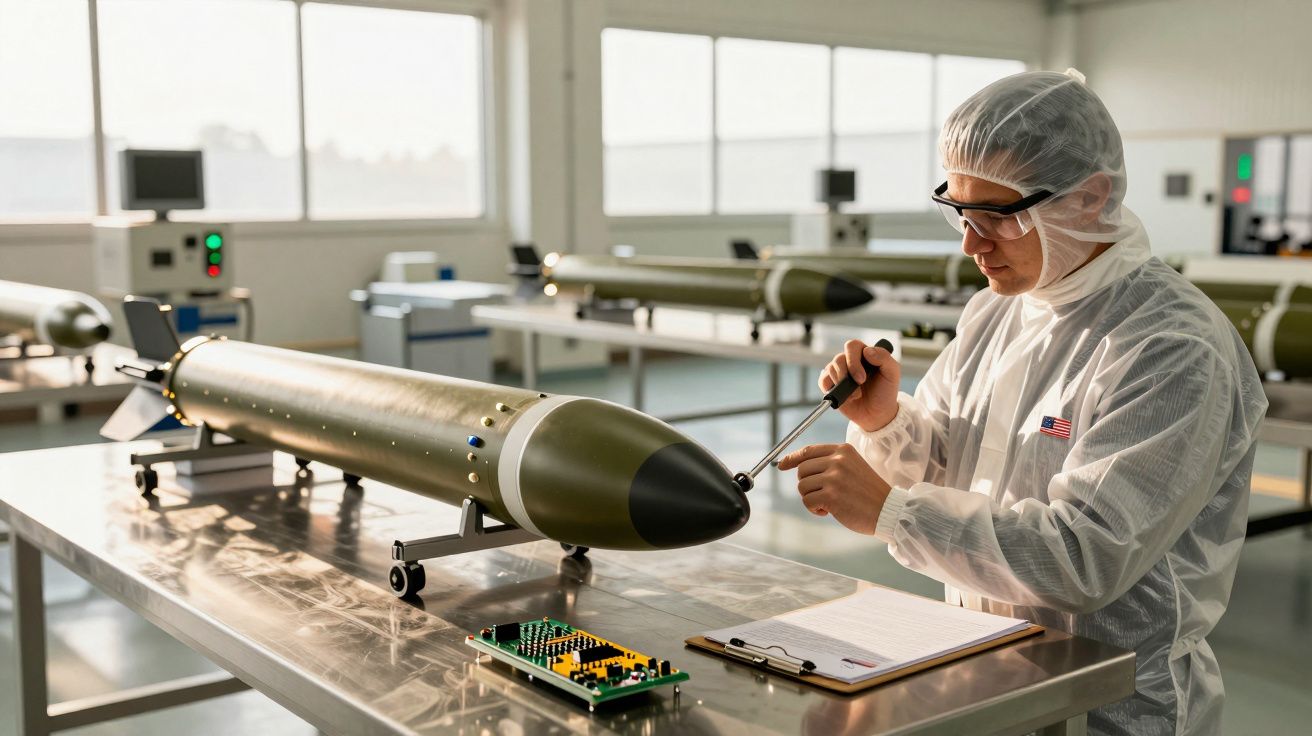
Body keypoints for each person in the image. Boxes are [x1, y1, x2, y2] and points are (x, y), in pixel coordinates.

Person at [777, 69, 1267, 736]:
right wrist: (885, 421)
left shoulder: (1171, 347)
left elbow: (1084, 556)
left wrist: (891, 513)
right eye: (960, 212)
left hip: (1114, 704)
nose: (970, 244)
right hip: (981, 673)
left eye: (998, 218)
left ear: (1089, 199)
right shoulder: (996, 314)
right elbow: (953, 462)